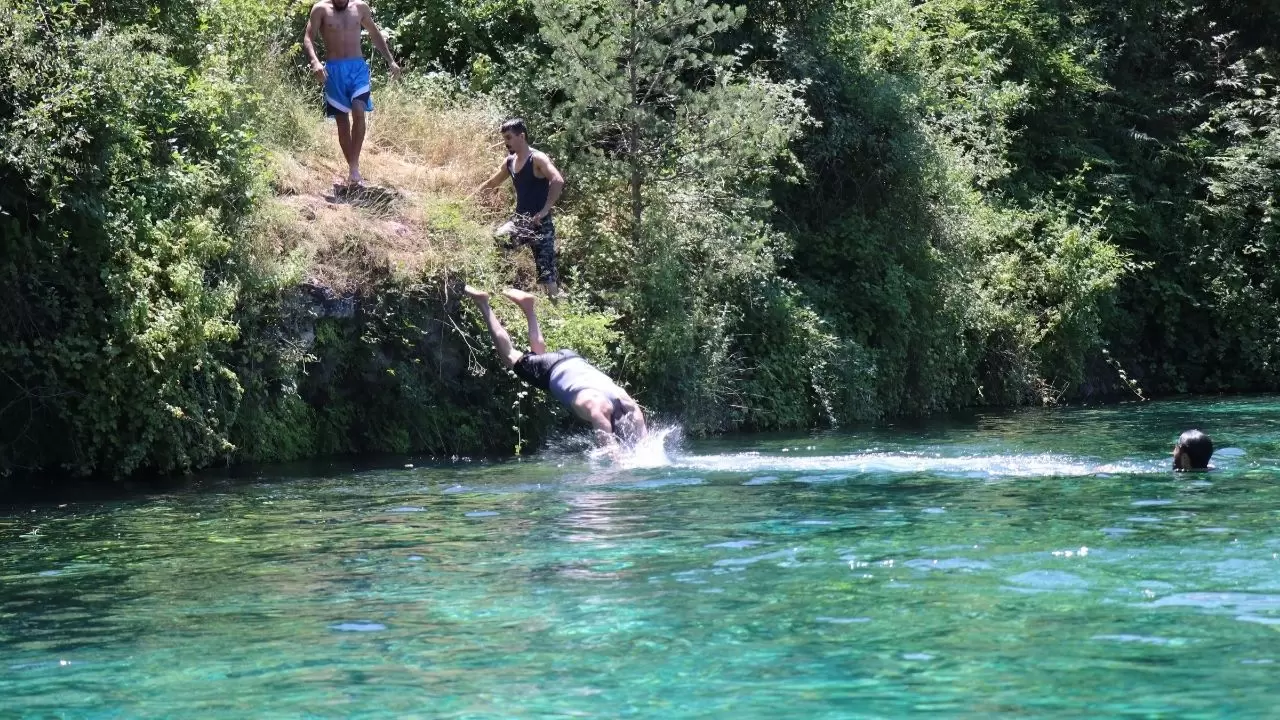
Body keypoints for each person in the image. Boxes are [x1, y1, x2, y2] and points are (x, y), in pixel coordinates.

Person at [463, 285, 646, 448]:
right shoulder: (598, 410)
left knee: (539, 357)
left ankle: (528, 306)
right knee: (510, 356)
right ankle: (483, 304)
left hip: (572, 359)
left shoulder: (626, 402)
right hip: (553, 370)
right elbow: (610, 451)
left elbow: (644, 442)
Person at [303, 0, 401, 187]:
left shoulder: (360, 7)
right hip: (334, 72)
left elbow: (374, 34)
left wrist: (391, 60)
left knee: (358, 110)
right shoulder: (320, 9)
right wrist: (315, 62)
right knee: (342, 123)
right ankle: (353, 170)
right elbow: (308, 38)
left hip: (357, 69)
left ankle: (354, 168)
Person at [474, 119, 566, 297]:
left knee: (547, 276)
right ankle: (505, 287)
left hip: (541, 225)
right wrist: (467, 202)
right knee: (500, 239)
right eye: (504, 138)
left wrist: (545, 209)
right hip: (521, 221)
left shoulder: (537, 158)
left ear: (521, 136)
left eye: (508, 137)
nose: (505, 142)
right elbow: (492, 183)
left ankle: (560, 316)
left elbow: (557, 180)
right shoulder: (510, 162)